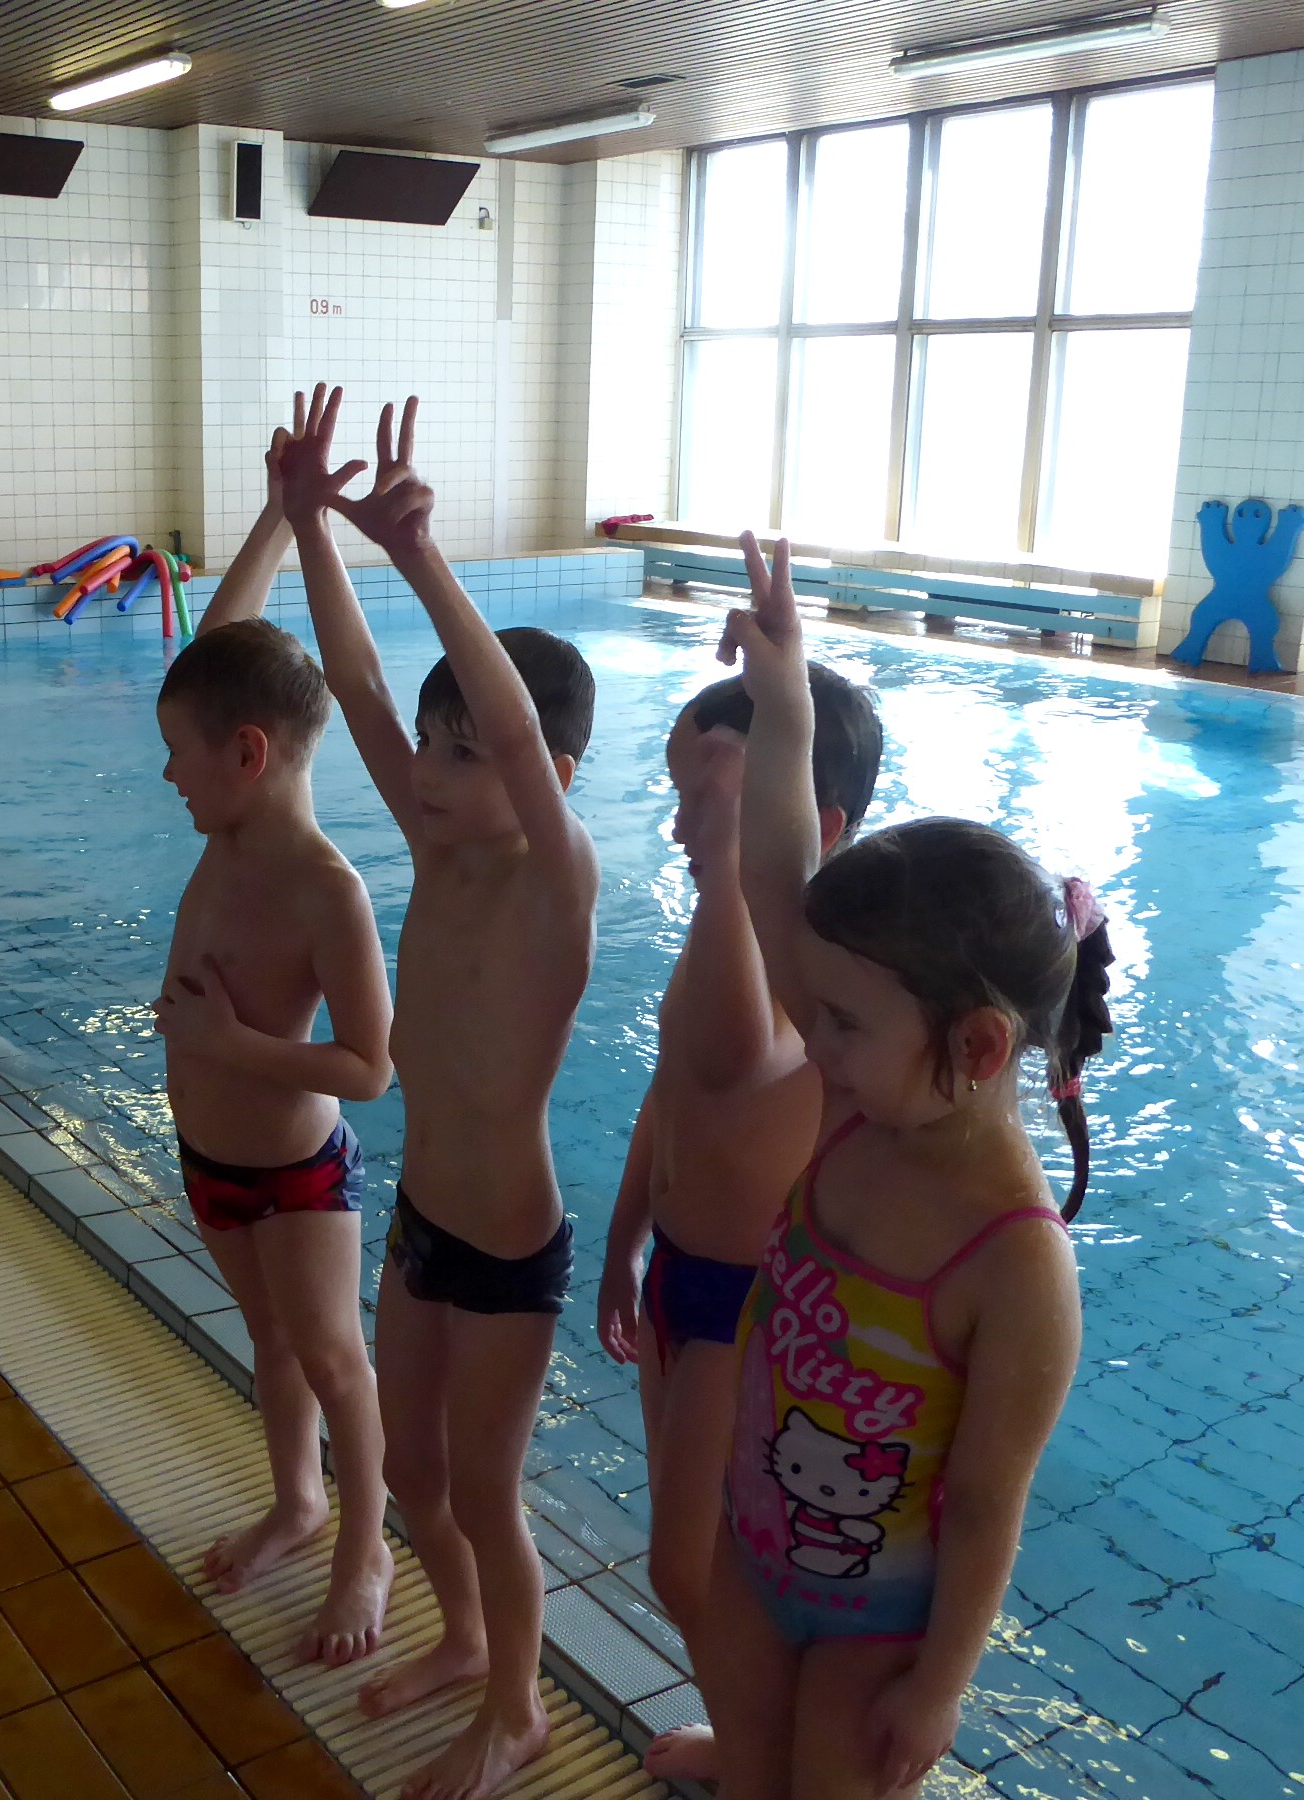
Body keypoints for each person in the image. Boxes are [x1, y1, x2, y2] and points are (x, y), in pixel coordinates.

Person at [695, 532, 1113, 1800]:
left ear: (976, 1048)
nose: (810, 1040)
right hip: (753, 1551)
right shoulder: (857, 1105)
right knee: (752, 1775)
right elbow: (779, 886)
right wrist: (784, 699)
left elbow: (985, 1502)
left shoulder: (1016, 1264)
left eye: (842, 1022)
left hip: (882, 1626)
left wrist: (941, 1682)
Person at [277, 384, 599, 1800]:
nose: (434, 770)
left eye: (465, 752)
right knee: (412, 1471)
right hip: (422, 1218)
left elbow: (515, 740)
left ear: (549, 776)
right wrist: (308, 527)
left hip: (511, 1245)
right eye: (432, 744)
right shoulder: (437, 852)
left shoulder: (558, 883)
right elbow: (353, 682)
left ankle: (517, 1708)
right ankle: (465, 1641)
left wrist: (422, 559)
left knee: (484, 1490)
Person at [598, 662, 882, 1784]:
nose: (677, 827)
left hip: (749, 1311)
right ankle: (748, 1740)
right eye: (678, 797)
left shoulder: (812, 969)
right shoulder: (722, 932)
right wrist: (624, 1235)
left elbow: (729, 1051)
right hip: (679, 1278)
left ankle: (761, 1762)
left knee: (694, 1568)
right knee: (702, 1566)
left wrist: (736, 850)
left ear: (814, 825)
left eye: (705, 800)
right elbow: (675, 1088)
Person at [152, 401, 396, 1669]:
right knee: (271, 1344)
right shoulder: (233, 817)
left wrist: (230, 1048)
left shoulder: (325, 892)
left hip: (297, 1172)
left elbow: (371, 1067)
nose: (169, 777)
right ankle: (297, 1501)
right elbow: (217, 653)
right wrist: (275, 515)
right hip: (213, 1158)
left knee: (334, 1358)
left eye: (178, 757)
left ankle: (366, 1546)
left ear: (246, 756)